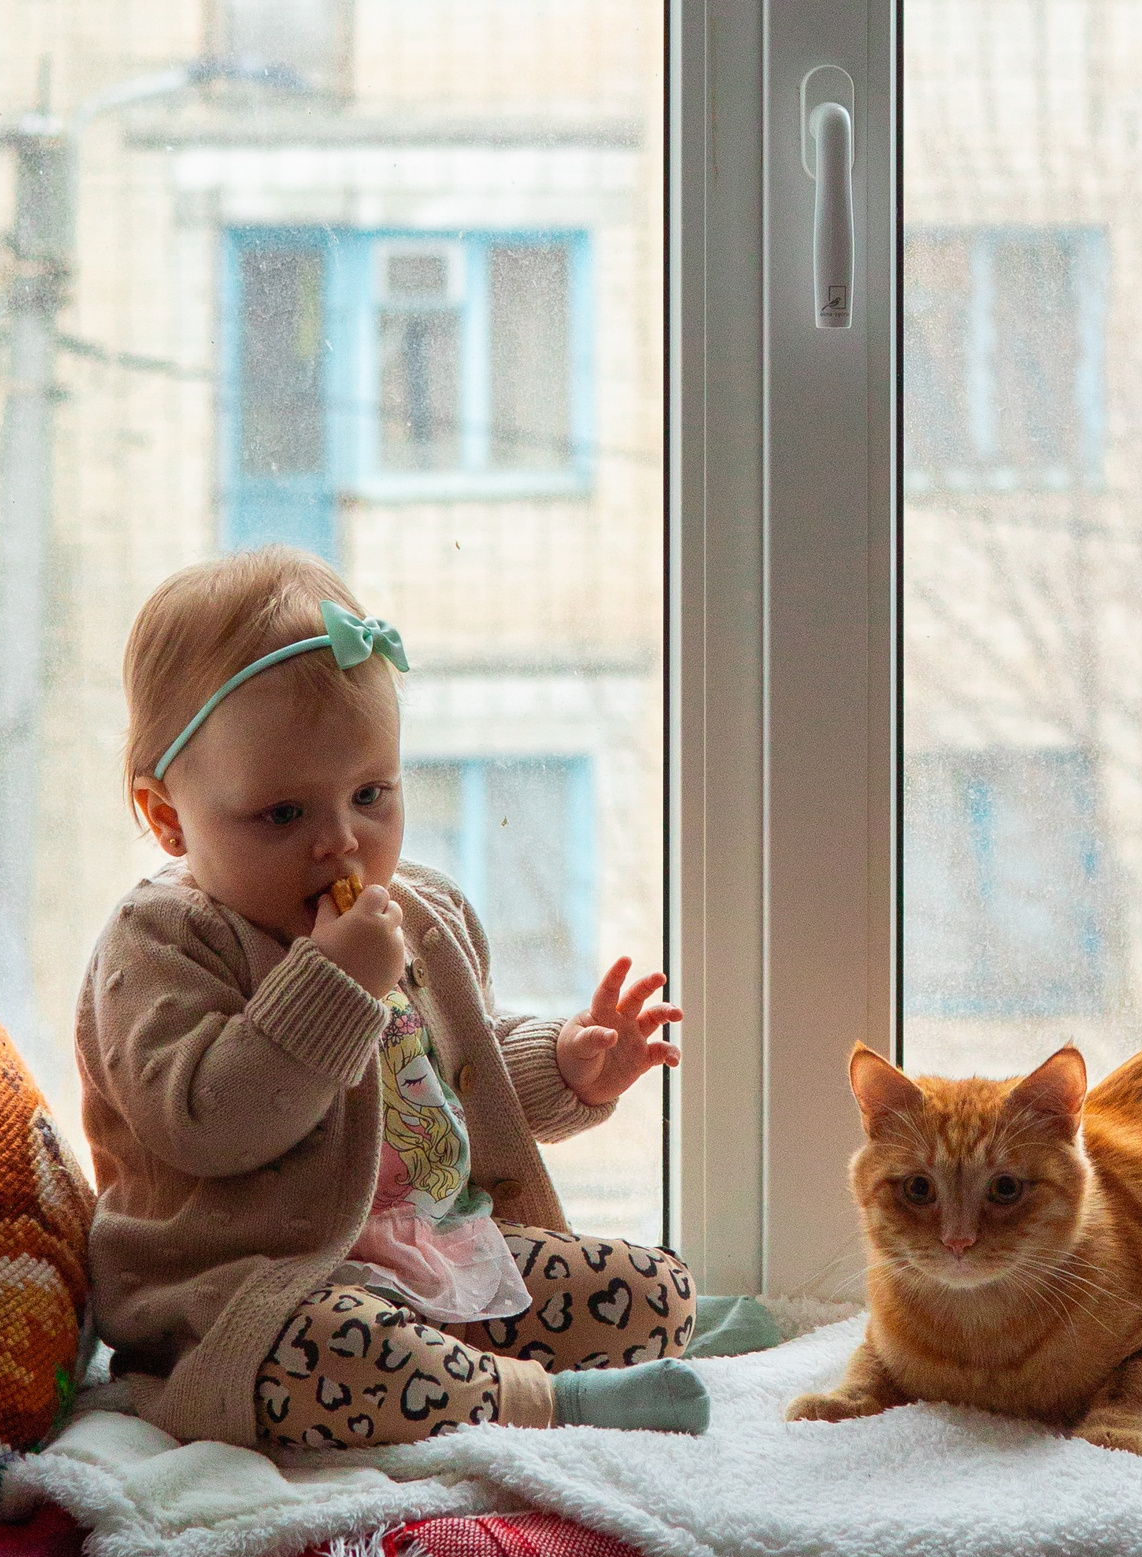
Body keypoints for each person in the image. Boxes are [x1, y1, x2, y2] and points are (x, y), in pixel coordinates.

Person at [78, 546, 706, 1449]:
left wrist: (569, 1063)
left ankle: (503, 1362)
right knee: (339, 1351)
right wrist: (332, 985)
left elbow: (452, 1079)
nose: (341, 843)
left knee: (656, 1291)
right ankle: (552, 1405)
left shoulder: (420, 911)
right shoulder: (162, 943)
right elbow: (206, 1121)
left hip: (434, 1251)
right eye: (284, 815)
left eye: (371, 793)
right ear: (169, 816)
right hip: (251, 1295)